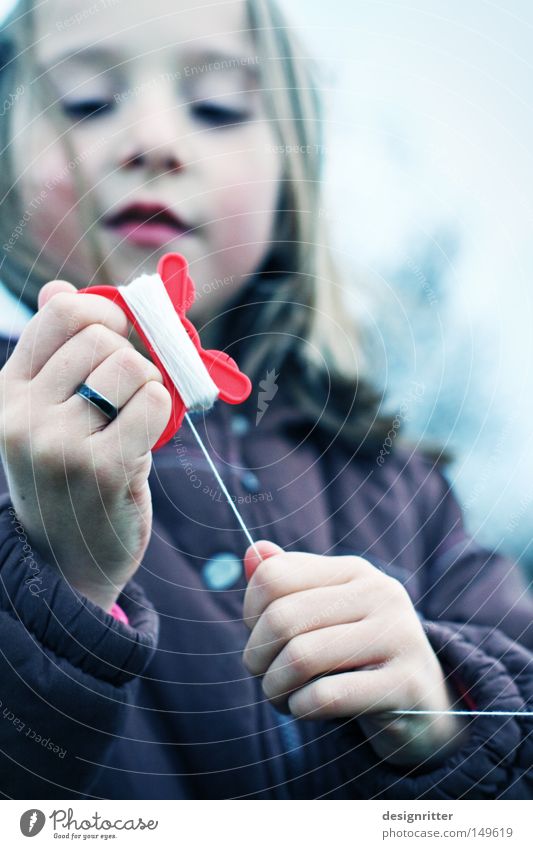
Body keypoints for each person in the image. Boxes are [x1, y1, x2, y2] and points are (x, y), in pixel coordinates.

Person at [0, 0, 531, 800]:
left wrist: (444, 710)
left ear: (293, 169)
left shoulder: (401, 486)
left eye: (215, 107)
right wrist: (59, 584)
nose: (152, 140)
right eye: (85, 101)